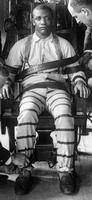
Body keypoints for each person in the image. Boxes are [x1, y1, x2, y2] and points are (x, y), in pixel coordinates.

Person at [1, 4, 89, 195]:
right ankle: (24, 169)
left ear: (53, 21)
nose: (43, 22)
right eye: (39, 18)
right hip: (32, 90)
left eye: (47, 18)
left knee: (65, 115)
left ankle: (65, 170)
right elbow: (9, 72)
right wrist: (6, 83)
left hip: (57, 89)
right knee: (26, 114)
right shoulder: (21, 45)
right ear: (33, 21)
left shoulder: (63, 44)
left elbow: (75, 69)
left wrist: (80, 81)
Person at [67, 0, 92, 87]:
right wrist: (87, 52)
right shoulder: (90, 23)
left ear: (85, 11)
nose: (77, 21)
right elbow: (89, 35)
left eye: (76, 16)